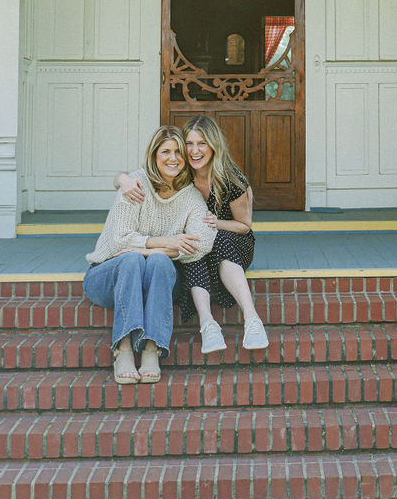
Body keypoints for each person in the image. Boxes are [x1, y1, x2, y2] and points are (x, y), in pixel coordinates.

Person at [118, 113, 269, 354]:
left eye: (202, 143)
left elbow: (245, 226)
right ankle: (208, 324)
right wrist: (123, 180)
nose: (194, 150)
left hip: (233, 244)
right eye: (189, 144)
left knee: (212, 238)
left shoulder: (231, 179)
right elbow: (140, 174)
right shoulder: (181, 172)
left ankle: (252, 319)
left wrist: (216, 223)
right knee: (194, 241)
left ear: (213, 146)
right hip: (193, 248)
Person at [84, 126, 214, 384]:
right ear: (154, 155)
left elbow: (203, 242)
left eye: (178, 151)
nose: (173, 158)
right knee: (131, 260)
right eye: (166, 151)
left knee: (155, 260)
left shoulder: (190, 195)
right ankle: (122, 349)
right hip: (107, 276)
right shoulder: (135, 185)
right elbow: (119, 241)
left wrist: (149, 251)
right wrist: (165, 242)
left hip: (158, 279)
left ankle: (151, 348)